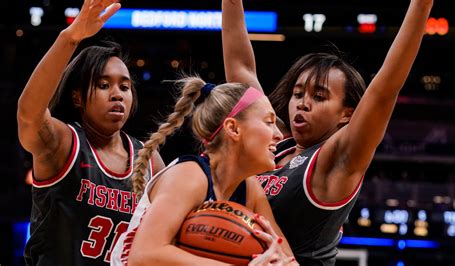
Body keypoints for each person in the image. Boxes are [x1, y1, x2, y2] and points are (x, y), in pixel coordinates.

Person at [221, 0, 433, 264]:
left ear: (347, 114)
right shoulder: (274, 144)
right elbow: (241, 69)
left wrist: (421, 5)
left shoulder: (336, 160)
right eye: (297, 94)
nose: (303, 103)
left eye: (319, 96)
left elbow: (385, 89)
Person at [17, 0, 165, 265]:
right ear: (77, 98)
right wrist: (69, 38)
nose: (117, 94)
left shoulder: (149, 161)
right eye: (104, 84)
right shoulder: (63, 144)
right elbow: (29, 114)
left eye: (125, 86)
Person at [111, 76, 296, 265]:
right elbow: (142, 256)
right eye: (269, 122)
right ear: (233, 128)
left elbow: (290, 260)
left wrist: (278, 258)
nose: (279, 135)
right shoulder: (189, 176)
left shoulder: (249, 188)